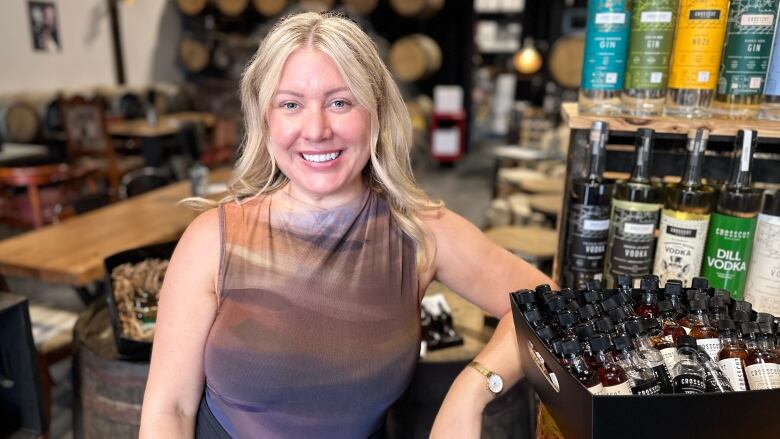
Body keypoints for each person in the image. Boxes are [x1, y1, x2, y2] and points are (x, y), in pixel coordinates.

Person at [139, 12, 555, 439]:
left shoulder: (419, 232)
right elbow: (168, 410)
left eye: (340, 102)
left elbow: (545, 305)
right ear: (265, 120)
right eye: (291, 104)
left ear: (375, 113)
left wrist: (472, 389)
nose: (317, 130)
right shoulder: (214, 239)